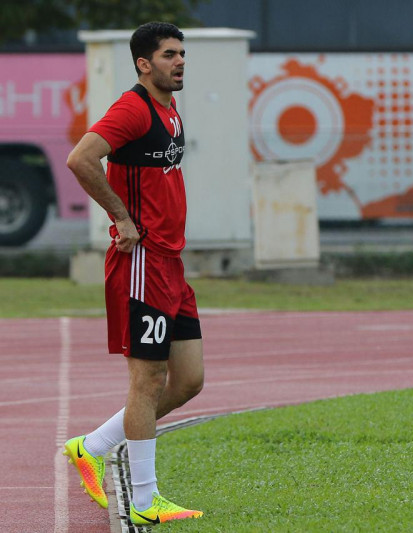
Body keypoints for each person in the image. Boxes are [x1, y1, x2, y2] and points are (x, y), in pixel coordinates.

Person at [63, 21, 204, 526]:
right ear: (144, 64)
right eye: (169, 55)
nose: (180, 61)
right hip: (143, 262)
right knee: (147, 380)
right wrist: (121, 217)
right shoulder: (133, 109)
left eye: (182, 53)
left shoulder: (170, 108)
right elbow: (81, 159)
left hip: (172, 264)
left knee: (188, 381)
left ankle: (92, 445)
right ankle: (145, 501)